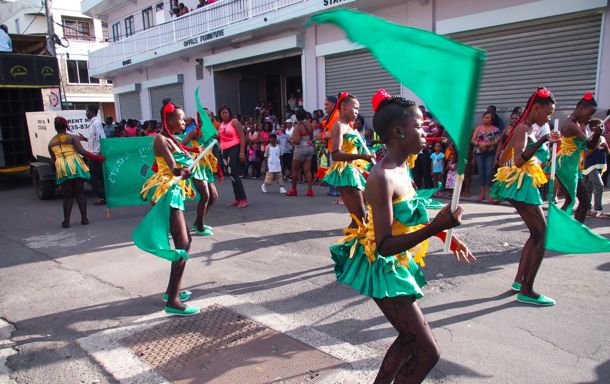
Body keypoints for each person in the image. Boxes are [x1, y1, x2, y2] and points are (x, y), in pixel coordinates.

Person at [331, 89, 474, 383]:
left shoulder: (403, 166)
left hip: (397, 264)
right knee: (427, 352)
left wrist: (446, 235)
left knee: (409, 340)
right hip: (382, 267)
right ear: (398, 131)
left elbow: (409, 218)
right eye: (419, 126)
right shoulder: (382, 177)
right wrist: (436, 226)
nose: (425, 132)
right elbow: (383, 246)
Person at [491, 87, 562, 306]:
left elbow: (504, 157)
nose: (549, 117)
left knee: (537, 233)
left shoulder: (525, 129)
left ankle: (520, 281)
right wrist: (542, 142)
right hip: (521, 187)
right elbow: (519, 160)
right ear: (536, 108)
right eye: (547, 113)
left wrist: (549, 144)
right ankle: (527, 290)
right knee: (541, 234)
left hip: (523, 185)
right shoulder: (523, 128)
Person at [139, 101, 199, 316]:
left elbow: (181, 166)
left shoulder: (173, 139)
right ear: (170, 120)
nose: (184, 122)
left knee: (184, 242)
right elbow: (173, 169)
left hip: (175, 192)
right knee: (183, 243)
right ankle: (173, 301)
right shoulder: (161, 139)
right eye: (181, 119)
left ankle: (171, 293)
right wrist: (183, 172)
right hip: (167, 192)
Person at [323, 93, 374, 227]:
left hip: (353, 171)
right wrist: (362, 157)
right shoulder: (339, 125)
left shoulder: (349, 127)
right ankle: (349, 247)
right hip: (345, 173)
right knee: (360, 219)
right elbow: (335, 154)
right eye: (355, 108)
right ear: (344, 107)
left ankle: (355, 246)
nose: (357, 112)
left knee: (361, 218)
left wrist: (365, 156)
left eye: (358, 109)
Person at [49, 117, 103, 228]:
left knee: (68, 196)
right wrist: (98, 158)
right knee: (79, 193)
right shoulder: (72, 137)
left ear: (55, 128)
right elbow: (82, 152)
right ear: (66, 126)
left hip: (62, 167)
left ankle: (66, 221)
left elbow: (53, 159)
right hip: (75, 165)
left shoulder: (51, 143)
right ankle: (84, 219)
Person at [556, 93, 602, 223]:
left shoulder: (573, 123)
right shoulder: (572, 125)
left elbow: (589, 145)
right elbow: (590, 144)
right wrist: (598, 134)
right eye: (589, 114)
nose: (589, 118)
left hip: (571, 164)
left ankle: (568, 229)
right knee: (577, 200)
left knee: (578, 200)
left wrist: (598, 134)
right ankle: (563, 229)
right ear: (581, 108)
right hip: (567, 165)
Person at [181, 112, 219, 236]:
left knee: (213, 197)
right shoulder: (195, 132)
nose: (207, 121)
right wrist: (193, 151)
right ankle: (200, 227)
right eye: (204, 118)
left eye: (210, 118)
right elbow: (181, 146)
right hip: (196, 166)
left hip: (206, 167)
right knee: (205, 196)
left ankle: (198, 222)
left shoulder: (213, 133)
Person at [218, 105, 248, 208]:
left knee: (234, 173)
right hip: (224, 151)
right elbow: (220, 138)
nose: (224, 114)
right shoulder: (221, 124)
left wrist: (242, 152)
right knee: (230, 174)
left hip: (234, 148)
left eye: (226, 112)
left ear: (230, 113)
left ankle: (243, 199)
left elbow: (242, 137)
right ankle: (237, 199)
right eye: (222, 113)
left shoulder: (234, 122)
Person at [79, 105, 106, 205]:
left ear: (92, 112)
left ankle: (102, 197)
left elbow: (101, 139)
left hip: (95, 155)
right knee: (96, 176)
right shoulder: (93, 124)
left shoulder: (96, 123)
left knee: (95, 177)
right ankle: (102, 196)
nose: (86, 113)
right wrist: (85, 139)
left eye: (87, 111)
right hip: (93, 154)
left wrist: (98, 154)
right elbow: (93, 139)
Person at [471, 111, 501, 202]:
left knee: (488, 173)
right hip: (479, 153)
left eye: (488, 118)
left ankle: (490, 195)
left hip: (490, 153)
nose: (485, 119)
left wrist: (487, 145)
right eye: (484, 117)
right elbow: (472, 140)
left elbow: (497, 142)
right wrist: (479, 144)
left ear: (492, 119)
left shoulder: (495, 129)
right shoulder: (478, 128)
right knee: (481, 173)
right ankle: (482, 194)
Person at [286, 109, 315, 196]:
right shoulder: (309, 124)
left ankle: (293, 190)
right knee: (308, 170)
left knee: (295, 170)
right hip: (310, 147)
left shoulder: (297, 126)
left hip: (300, 148)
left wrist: (291, 140)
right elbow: (311, 137)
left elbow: (297, 141)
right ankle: (310, 191)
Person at [583, 118, 607, 217]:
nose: (604, 128)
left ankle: (587, 208)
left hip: (600, 165)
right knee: (599, 186)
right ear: (594, 128)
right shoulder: (589, 138)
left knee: (589, 187)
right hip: (591, 166)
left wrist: (606, 147)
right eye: (601, 126)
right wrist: (596, 144)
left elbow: (607, 152)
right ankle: (598, 208)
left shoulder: (603, 138)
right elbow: (586, 154)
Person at [321, 95, 341, 198]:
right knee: (334, 169)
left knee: (333, 169)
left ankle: (334, 190)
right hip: (332, 146)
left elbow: (334, 132)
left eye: (327, 104)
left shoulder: (336, 115)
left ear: (334, 104)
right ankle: (335, 190)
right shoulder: (334, 115)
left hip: (335, 147)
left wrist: (325, 135)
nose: (325, 107)